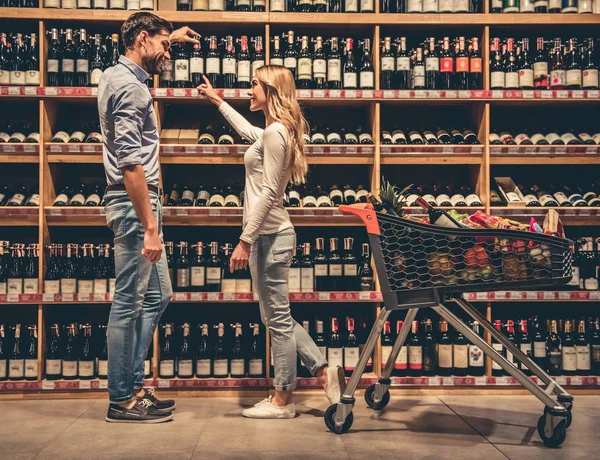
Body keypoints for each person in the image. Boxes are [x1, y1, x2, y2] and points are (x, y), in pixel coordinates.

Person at [198, 66, 346, 419]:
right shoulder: (271, 132)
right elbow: (248, 131)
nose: (248, 90)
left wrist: (245, 239)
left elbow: (269, 192)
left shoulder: (278, 132)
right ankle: (326, 372)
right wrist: (218, 101)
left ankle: (283, 398)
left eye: (253, 85)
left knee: (277, 319)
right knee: (275, 316)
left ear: (271, 90)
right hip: (267, 237)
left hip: (272, 236)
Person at [98, 12, 199, 423]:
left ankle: (135, 386)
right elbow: (130, 163)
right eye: (163, 45)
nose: (168, 53)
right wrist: (151, 228)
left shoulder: (113, 75)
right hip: (134, 202)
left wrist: (167, 35)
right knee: (127, 303)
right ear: (142, 39)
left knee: (159, 296)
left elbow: (133, 53)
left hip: (134, 202)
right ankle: (122, 398)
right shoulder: (132, 90)